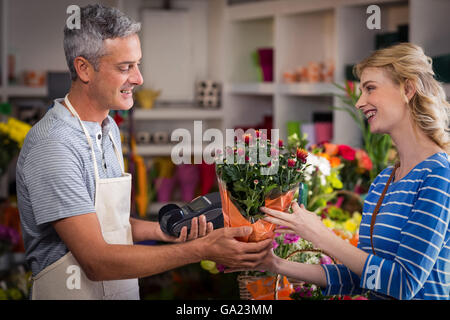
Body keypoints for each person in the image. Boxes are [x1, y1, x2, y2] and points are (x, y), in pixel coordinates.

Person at [15, 4, 272, 300]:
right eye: (125, 67)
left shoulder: (107, 127)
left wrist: (160, 232)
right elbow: (96, 262)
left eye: (138, 65)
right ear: (84, 68)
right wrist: (200, 250)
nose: (139, 79)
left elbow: (103, 221)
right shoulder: (54, 146)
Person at [255, 43, 449, 300]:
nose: (359, 102)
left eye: (370, 88)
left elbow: (403, 283)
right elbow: (364, 278)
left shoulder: (438, 175)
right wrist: (274, 264)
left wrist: (321, 235)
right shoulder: (384, 181)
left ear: (408, 88)